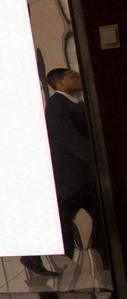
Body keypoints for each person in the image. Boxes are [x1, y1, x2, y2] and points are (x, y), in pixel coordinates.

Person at [23, 68, 108, 275]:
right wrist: (96, 157)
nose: (79, 78)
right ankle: (33, 255)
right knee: (60, 218)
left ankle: (106, 255)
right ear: (59, 83)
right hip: (71, 176)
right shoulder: (57, 105)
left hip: (84, 176)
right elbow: (67, 137)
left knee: (103, 216)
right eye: (73, 77)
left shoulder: (76, 104)